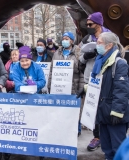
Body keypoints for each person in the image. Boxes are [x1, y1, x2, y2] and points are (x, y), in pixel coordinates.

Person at [91, 32, 129, 160]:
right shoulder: (101, 62)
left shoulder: (120, 63)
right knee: (107, 149)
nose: (97, 45)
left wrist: (117, 112)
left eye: (99, 43)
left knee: (118, 149)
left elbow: (122, 90)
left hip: (114, 114)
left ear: (109, 45)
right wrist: (86, 88)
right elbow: (100, 85)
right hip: (103, 112)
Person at [78, 12, 111, 151]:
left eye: (90, 24)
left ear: (99, 24)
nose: (88, 27)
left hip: (106, 77)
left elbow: (118, 53)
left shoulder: (110, 36)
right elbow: (79, 58)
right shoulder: (86, 38)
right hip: (90, 78)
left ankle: (108, 137)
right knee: (93, 108)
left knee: (106, 108)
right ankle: (97, 137)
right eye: (87, 25)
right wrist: (86, 55)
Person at [47, 32, 84, 136]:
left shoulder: (78, 53)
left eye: (67, 39)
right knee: (61, 111)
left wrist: (81, 88)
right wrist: (50, 85)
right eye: (63, 38)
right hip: (59, 88)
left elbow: (82, 72)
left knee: (74, 111)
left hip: (73, 88)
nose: (64, 41)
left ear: (72, 41)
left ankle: (77, 129)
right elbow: (51, 71)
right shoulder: (57, 53)